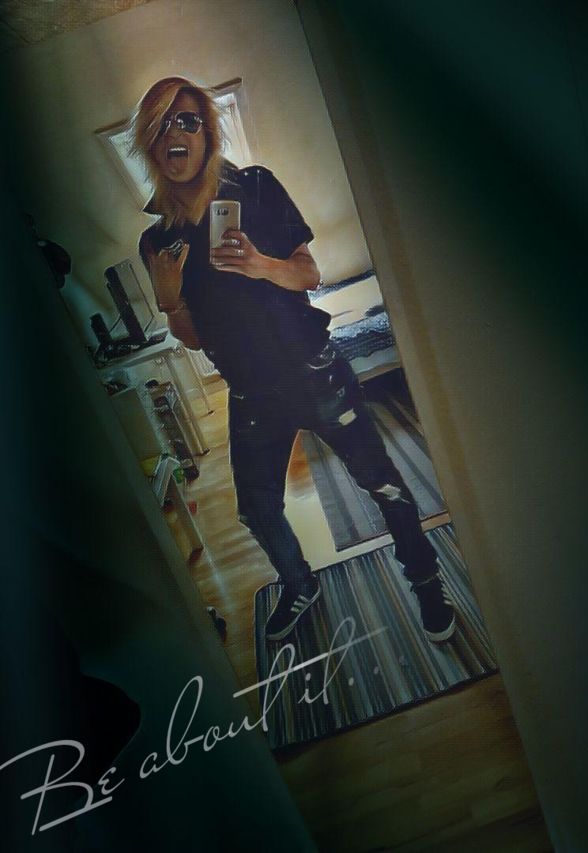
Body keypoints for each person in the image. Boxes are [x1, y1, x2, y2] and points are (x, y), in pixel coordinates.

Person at [133, 77, 455, 643]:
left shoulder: (256, 187)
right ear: (148, 143)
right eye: (162, 125)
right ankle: (299, 584)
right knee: (257, 510)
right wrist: (169, 300)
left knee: (382, 485)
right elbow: (192, 339)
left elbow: (309, 274)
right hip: (250, 394)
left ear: (207, 133)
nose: (175, 132)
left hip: (314, 372)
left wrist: (261, 265)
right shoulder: (157, 241)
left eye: (188, 120)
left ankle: (427, 581)